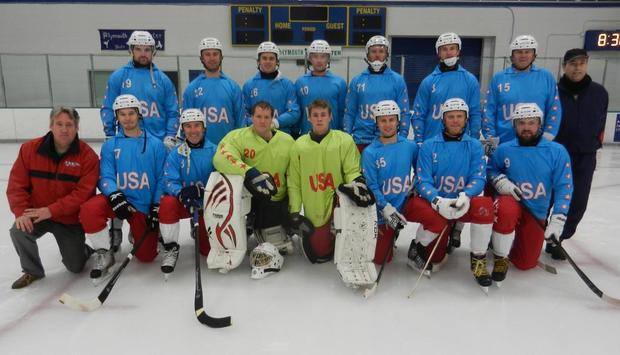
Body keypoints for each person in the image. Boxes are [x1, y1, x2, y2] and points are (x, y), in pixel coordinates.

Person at [100, 30, 179, 252]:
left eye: (147, 50)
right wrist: (109, 132)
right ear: (131, 50)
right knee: (123, 183)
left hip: (155, 143)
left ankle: (156, 228)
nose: (143, 54)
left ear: (153, 52)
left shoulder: (163, 80)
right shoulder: (118, 77)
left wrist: (170, 136)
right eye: (139, 49)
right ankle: (116, 227)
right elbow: (108, 106)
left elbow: (172, 111)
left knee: (154, 185)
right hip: (125, 140)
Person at [7, 107, 99, 289]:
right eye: (59, 124)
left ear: (76, 127)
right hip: (37, 213)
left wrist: (52, 210)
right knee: (18, 230)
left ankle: (83, 251)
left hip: (68, 218)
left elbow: (83, 194)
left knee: (75, 267)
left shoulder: (88, 156)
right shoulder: (29, 150)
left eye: (69, 125)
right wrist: (21, 212)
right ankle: (32, 271)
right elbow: (17, 186)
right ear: (51, 125)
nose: (64, 129)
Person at [408, 98, 494, 288]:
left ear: (466, 119)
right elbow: (423, 180)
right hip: (438, 204)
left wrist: (467, 195)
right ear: (443, 120)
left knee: (485, 206)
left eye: (459, 117)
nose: (455, 120)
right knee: (438, 258)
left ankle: (478, 259)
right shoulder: (429, 146)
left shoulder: (474, 146)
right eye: (451, 117)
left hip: (462, 201)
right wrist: (436, 199)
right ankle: (418, 246)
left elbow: (479, 178)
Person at [80, 94, 166, 281]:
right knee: (90, 209)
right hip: (119, 201)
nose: (127, 118)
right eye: (122, 114)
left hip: (142, 204)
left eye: (131, 113)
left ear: (139, 115)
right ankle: (105, 252)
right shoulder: (110, 146)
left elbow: (161, 178)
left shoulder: (156, 145)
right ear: (117, 117)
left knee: (146, 257)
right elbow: (105, 176)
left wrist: (156, 205)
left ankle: (136, 233)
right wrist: (114, 195)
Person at [489, 103, 572, 280]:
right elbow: (491, 170)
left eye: (531, 122)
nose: (526, 127)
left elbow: (564, 186)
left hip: (536, 212)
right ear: (514, 125)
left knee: (526, 263)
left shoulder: (557, 151)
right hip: (512, 203)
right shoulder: (504, 149)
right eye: (521, 123)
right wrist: (501, 182)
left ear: (539, 124)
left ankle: (514, 248)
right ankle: (500, 255)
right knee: (506, 210)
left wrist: (557, 219)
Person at [288, 99, 375, 262]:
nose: (319, 119)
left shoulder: (344, 140)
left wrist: (357, 184)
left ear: (330, 117)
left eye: (323, 115)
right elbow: (294, 182)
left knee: (350, 246)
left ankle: (340, 233)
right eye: (315, 115)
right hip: (315, 204)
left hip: (339, 199)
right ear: (309, 118)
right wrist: (294, 211)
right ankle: (323, 236)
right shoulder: (298, 145)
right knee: (320, 254)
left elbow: (352, 170)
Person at [213, 101, 295, 253]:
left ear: (272, 119)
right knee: (271, 245)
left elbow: (295, 175)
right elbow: (220, 157)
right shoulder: (238, 136)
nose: (262, 121)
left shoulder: (287, 141)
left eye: (266, 117)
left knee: (281, 248)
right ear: (251, 117)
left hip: (280, 197)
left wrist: (295, 207)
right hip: (254, 198)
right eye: (258, 116)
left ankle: (280, 221)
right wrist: (249, 171)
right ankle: (253, 220)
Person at [552, 48, 609, 259]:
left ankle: (560, 239)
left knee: (578, 201)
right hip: (556, 155)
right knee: (548, 198)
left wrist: (593, 143)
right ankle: (541, 234)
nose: (577, 68)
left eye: (581, 63)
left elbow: (601, 122)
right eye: (573, 63)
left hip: (584, 156)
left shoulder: (599, 93)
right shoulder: (553, 92)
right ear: (564, 66)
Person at [159, 109, 217, 277]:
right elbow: (168, 180)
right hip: (185, 203)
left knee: (206, 251)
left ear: (204, 128)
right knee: (167, 203)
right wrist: (181, 193)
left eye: (197, 125)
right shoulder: (176, 154)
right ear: (182, 129)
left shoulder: (215, 150)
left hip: (207, 204)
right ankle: (170, 247)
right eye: (188, 126)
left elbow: (221, 178)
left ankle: (198, 226)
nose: (193, 130)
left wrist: (204, 191)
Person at [361, 100, 418, 264]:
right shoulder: (370, 152)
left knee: (433, 217)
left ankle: (420, 244)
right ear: (377, 123)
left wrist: (415, 185)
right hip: (383, 210)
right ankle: (390, 235)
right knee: (381, 259)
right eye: (383, 120)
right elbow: (371, 186)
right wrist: (386, 209)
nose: (387, 124)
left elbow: (421, 172)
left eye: (391, 119)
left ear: (398, 121)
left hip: (405, 203)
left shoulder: (410, 146)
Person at [482, 35, 562, 144]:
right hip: (504, 142)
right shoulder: (499, 78)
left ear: (534, 55)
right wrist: (490, 136)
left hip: (536, 143)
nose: (523, 55)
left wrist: (548, 135)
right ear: (512, 55)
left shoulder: (546, 77)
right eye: (519, 52)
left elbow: (554, 109)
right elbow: (489, 110)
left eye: (527, 51)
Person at [412, 32, 481, 144]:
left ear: (458, 51)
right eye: (444, 49)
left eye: (452, 48)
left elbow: (475, 113)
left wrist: (474, 140)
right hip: (432, 143)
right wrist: (419, 140)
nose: (449, 53)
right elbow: (419, 114)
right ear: (438, 53)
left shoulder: (470, 80)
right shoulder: (428, 82)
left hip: (462, 143)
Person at [344, 35, 411, 151]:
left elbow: (404, 112)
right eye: (373, 51)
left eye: (381, 51)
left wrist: (403, 136)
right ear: (367, 54)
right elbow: (350, 112)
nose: (377, 55)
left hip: (389, 140)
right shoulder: (357, 81)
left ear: (387, 54)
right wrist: (347, 137)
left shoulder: (397, 80)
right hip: (361, 140)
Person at [182, 37, 244, 144]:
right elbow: (186, 123)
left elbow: (241, 121)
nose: (212, 58)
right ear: (201, 58)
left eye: (215, 54)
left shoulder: (233, 87)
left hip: (228, 148)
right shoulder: (192, 88)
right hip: (200, 149)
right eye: (207, 54)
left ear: (221, 57)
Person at [242, 41, 300, 135]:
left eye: (271, 58)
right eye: (264, 58)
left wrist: (275, 123)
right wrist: (259, 124)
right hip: (255, 137)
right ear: (258, 61)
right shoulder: (249, 85)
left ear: (277, 61)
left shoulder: (287, 85)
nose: (268, 61)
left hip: (282, 137)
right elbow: (244, 114)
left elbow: (294, 113)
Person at [295, 39, 347, 135]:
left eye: (323, 57)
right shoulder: (300, 82)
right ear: (310, 59)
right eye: (315, 56)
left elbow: (342, 113)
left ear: (328, 59)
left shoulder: (340, 83)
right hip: (306, 136)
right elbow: (298, 112)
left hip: (333, 136)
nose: (319, 60)